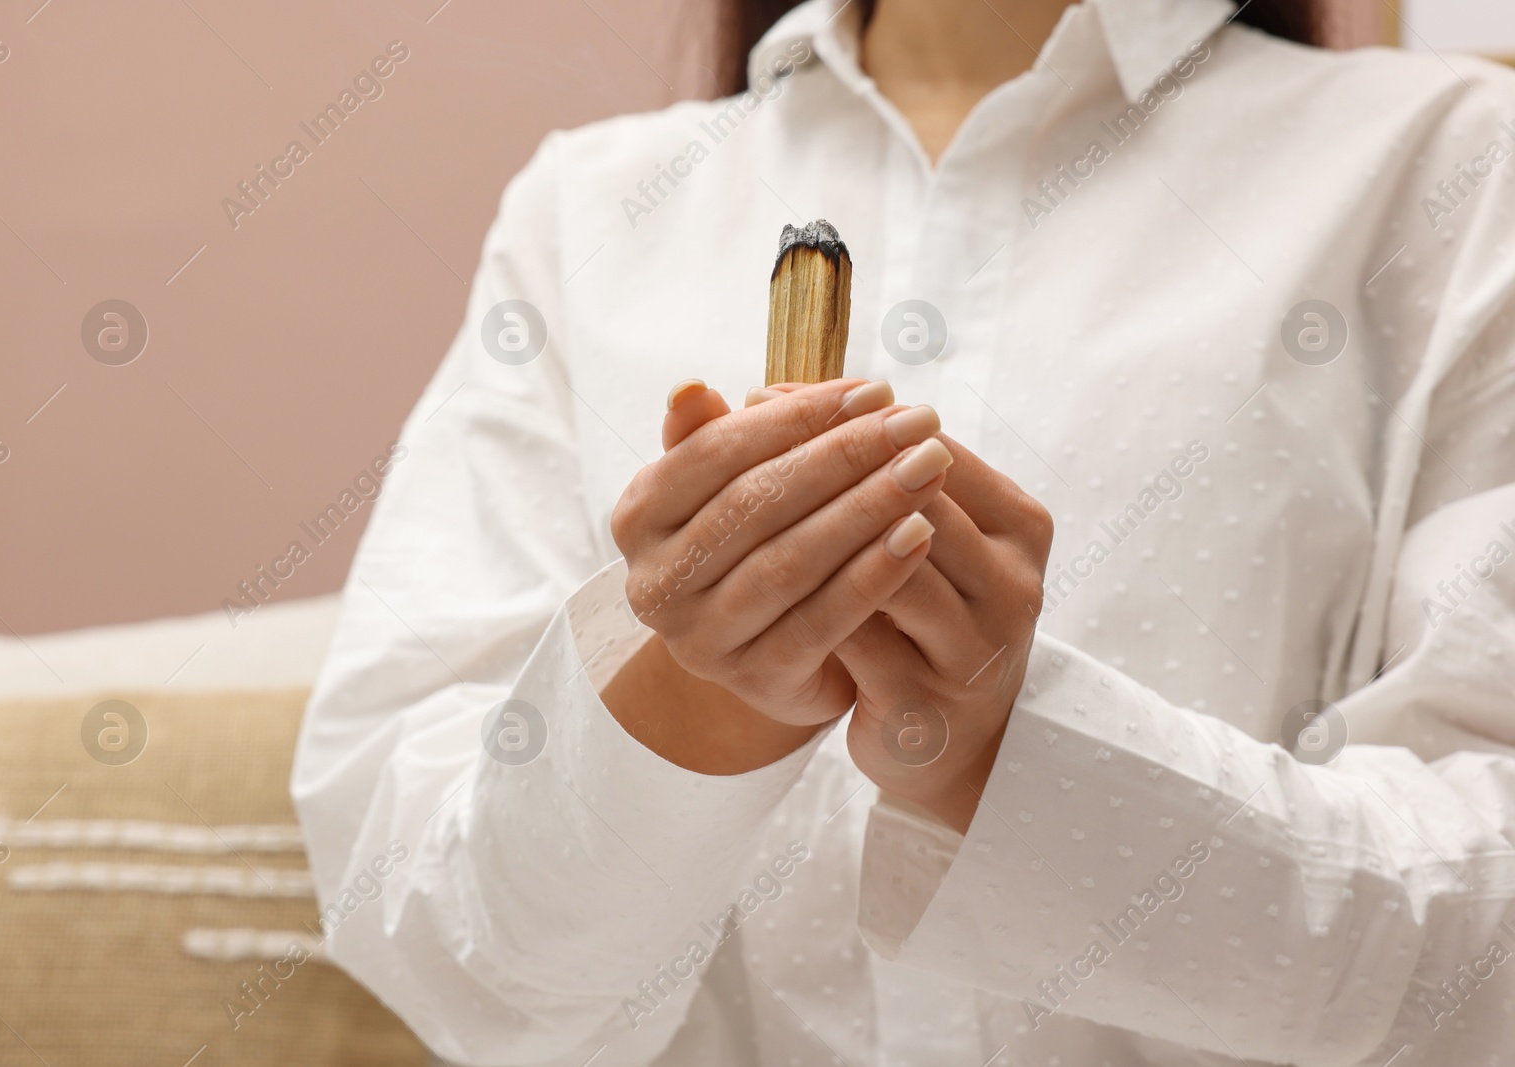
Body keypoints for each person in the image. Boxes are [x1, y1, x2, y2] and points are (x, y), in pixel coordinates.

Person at [292, 0, 1515, 1062]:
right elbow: (447, 953)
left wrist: (1000, 755)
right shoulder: (585, 209)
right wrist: (705, 698)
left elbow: (1486, 939)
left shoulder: (1455, 165)